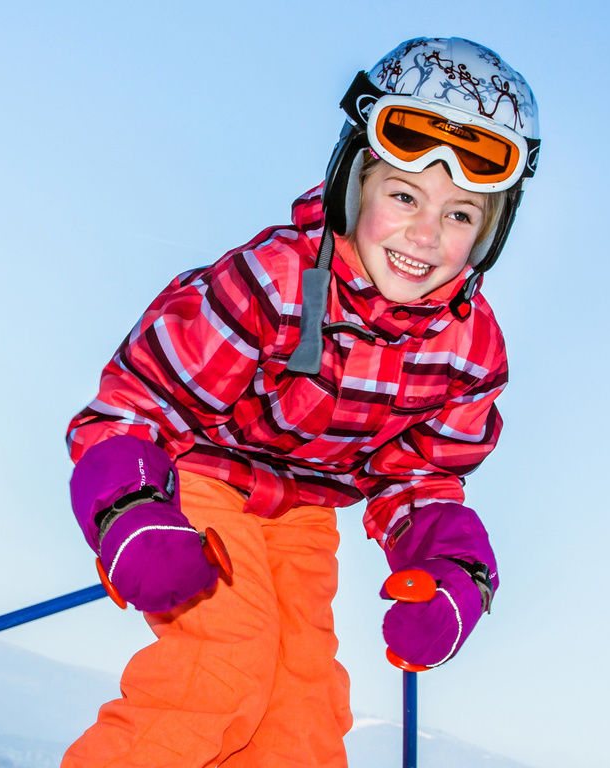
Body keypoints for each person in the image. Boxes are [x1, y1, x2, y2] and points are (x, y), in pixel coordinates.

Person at [60, 36, 541, 768]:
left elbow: (419, 476)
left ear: (490, 235)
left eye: (460, 215)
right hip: (200, 472)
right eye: (404, 195)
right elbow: (134, 406)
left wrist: (451, 569)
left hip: (301, 512)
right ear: (353, 185)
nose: (424, 234)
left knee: (303, 718)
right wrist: (131, 510)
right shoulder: (275, 281)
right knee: (226, 660)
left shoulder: (469, 350)